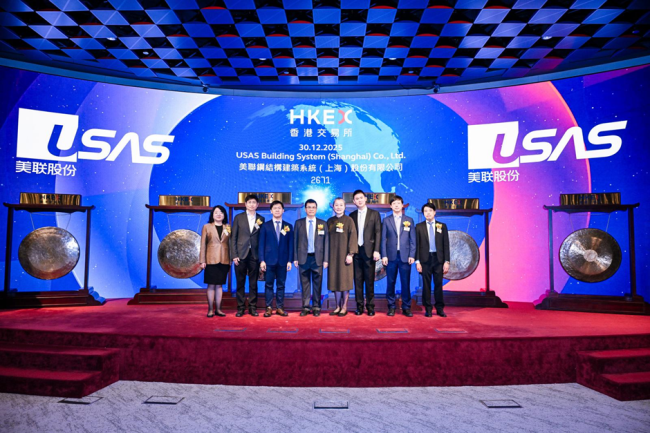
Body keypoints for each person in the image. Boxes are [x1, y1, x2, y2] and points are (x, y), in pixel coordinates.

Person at [381, 195, 416, 317]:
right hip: (390, 256)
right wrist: (384, 255)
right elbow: (383, 239)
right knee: (390, 282)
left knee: (405, 282)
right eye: (394, 203)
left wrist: (412, 254)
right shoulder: (386, 220)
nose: (396, 205)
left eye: (398, 203)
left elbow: (413, 240)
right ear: (391, 206)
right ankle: (391, 306)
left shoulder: (409, 220)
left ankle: (406, 307)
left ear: (402, 205)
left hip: (405, 256)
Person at [231, 194, 265, 317]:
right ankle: (240, 308)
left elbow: (261, 239)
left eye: (254, 202)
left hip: (254, 255)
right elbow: (233, 237)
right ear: (245, 204)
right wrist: (234, 255)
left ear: (257, 205)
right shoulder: (238, 218)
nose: (251, 204)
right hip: (240, 254)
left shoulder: (261, 218)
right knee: (240, 282)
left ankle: (252, 307)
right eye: (249, 202)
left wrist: (261, 257)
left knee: (253, 283)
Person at [293, 199, 329, 317]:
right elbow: (295, 241)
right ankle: (305, 307)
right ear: (305, 209)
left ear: (316, 209)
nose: (311, 209)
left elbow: (326, 242)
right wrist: (295, 258)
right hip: (303, 258)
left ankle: (316, 307)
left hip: (318, 258)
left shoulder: (322, 223)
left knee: (317, 284)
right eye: (309, 207)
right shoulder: (299, 223)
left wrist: (326, 259)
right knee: (305, 284)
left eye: (313, 207)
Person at [349, 190, 382, 316]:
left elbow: (378, 233)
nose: (359, 200)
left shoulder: (374, 214)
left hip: (370, 252)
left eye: (361, 198)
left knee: (369, 281)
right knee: (357, 281)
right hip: (356, 252)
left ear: (365, 199)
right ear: (354, 201)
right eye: (357, 199)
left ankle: (370, 307)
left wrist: (377, 250)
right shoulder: (351, 215)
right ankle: (359, 307)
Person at [259, 201, 294, 317]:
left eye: (279, 208)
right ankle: (268, 308)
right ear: (271, 211)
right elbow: (261, 244)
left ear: (283, 210)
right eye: (275, 208)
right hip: (268, 261)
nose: (277, 210)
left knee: (281, 285)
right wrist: (262, 260)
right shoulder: (265, 226)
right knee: (268, 285)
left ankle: (280, 307)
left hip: (283, 261)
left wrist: (289, 261)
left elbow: (291, 245)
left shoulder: (288, 226)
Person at [415, 203, 450, 317]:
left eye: (430, 210)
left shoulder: (442, 226)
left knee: (438, 284)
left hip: (438, 259)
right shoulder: (419, 227)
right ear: (423, 213)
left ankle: (440, 308)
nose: (428, 213)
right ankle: (428, 309)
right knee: (426, 285)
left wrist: (446, 261)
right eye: (425, 211)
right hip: (425, 260)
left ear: (434, 212)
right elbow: (417, 245)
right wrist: (417, 261)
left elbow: (446, 245)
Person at [327, 197, 358, 316]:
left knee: (345, 281)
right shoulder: (329, 221)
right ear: (333, 207)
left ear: (345, 207)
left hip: (345, 256)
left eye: (341, 205)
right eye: (336, 205)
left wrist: (350, 254)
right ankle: (337, 307)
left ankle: (344, 307)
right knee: (335, 280)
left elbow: (353, 237)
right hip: (333, 257)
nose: (338, 207)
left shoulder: (349, 220)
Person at [199, 205, 231, 318]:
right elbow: (203, 244)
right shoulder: (207, 227)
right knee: (211, 285)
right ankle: (210, 310)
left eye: (221, 212)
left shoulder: (228, 227)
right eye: (216, 212)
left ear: (224, 215)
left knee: (219, 285)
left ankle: (218, 309)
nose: (219, 214)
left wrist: (231, 259)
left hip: (224, 259)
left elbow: (230, 243)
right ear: (212, 215)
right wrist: (202, 260)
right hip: (210, 259)